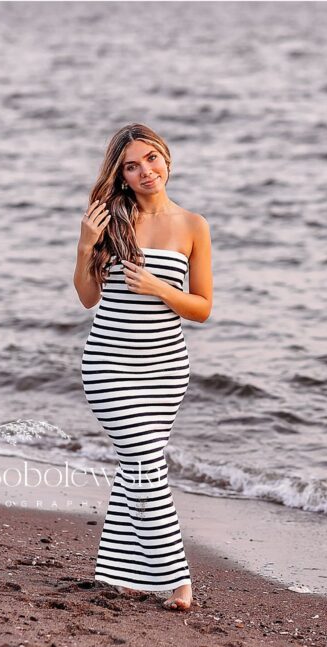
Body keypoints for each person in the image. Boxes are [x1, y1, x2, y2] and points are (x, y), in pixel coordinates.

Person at [73, 123, 213, 611]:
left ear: (166, 159)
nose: (145, 171)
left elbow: (201, 307)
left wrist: (160, 289)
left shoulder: (194, 225)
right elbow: (88, 298)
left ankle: (120, 572)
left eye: (150, 159)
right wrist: (86, 243)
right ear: (122, 176)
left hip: (166, 367)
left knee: (138, 466)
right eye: (131, 166)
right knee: (146, 464)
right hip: (109, 363)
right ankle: (177, 580)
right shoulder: (109, 220)